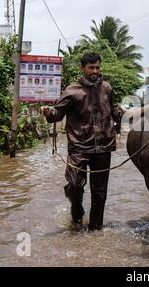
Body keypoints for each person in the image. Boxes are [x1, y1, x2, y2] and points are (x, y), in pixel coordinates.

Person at [41, 52, 122, 232]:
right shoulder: (71, 90)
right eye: (91, 68)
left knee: (99, 192)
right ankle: (77, 215)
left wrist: (121, 114)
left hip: (103, 146)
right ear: (83, 69)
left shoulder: (107, 88)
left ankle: (96, 229)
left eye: (97, 67)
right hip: (79, 146)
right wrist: (48, 113)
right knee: (75, 185)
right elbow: (57, 114)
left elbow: (113, 109)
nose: (95, 71)